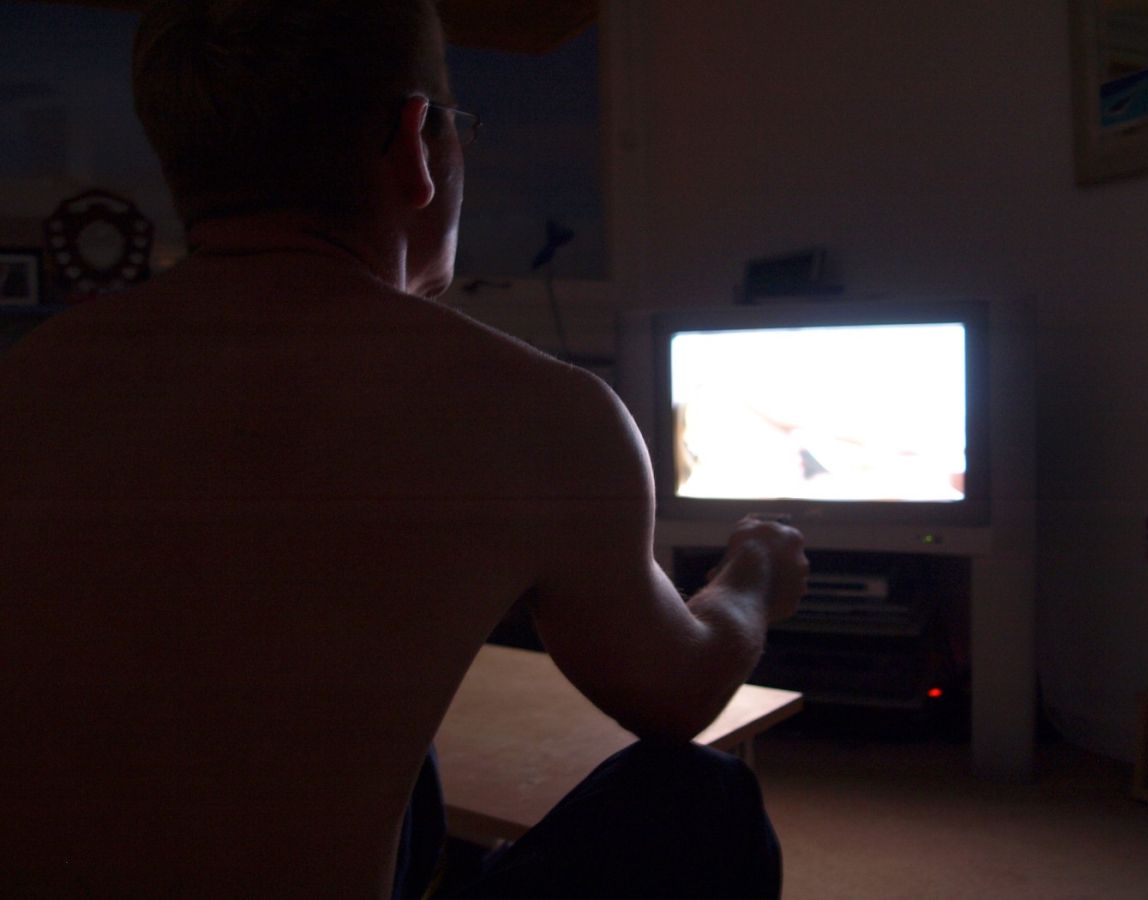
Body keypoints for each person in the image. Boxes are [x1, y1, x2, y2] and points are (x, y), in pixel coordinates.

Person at [0, 2, 810, 897]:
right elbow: (680, 693)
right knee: (704, 798)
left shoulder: (31, 375)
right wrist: (754, 572)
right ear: (416, 144)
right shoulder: (535, 410)